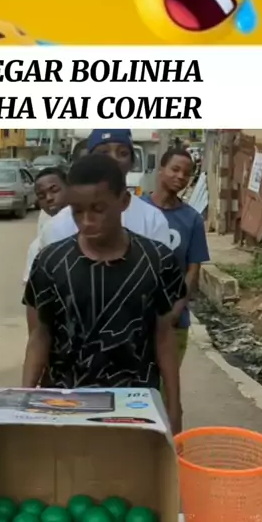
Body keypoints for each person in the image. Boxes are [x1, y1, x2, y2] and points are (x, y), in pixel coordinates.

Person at [22, 156, 186, 434]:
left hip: (136, 411)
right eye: (77, 211)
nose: (86, 221)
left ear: (124, 201)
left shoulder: (157, 261)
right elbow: (40, 335)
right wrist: (24, 402)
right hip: (64, 409)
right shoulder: (50, 262)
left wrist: (173, 407)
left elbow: (164, 336)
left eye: (98, 209)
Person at [38, 129, 171, 248]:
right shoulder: (57, 227)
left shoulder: (152, 220)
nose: (113, 158)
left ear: (132, 162)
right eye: (103, 152)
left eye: (122, 153)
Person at [145, 147, 210, 365]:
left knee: (166, 382)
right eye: (175, 169)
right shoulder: (137, 210)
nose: (181, 176)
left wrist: (176, 310)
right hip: (135, 321)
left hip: (174, 323)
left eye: (187, 173)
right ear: (161, 169)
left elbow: (192, 270)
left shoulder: (192, 220)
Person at [23, 167, 68, 285]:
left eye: (54, 190)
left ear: (70, 188)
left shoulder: (89, 225)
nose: (49, 198)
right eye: (41, 196)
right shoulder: (38, 245)